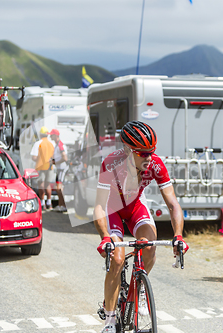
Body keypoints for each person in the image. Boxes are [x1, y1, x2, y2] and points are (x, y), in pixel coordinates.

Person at [94, 121, 189, 333]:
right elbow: (100, 205)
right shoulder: (110, 163)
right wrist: (104, 237)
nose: (148, 157)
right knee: (117, 259)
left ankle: (139, 289)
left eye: (151, 152)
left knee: (149, 247)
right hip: (113, 209)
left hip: (136, 207)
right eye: (142, 153)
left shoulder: (155, 164)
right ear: (128, 150)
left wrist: (178, 235)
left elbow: (173, 203)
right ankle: (110, 321)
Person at [31, 126, 56, 210]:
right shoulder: (51, 144)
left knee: (41, 184)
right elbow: (53, 156)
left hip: (41, 167)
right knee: (48, 184)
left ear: (40, 135)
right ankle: (49, 202)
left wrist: (40, 159)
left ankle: (42, 203)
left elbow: (34, 157)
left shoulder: (38, 143)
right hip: (50, 166)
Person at [49, 129, 68, 212]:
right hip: (59, 169)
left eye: (51, 135)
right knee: (58, 188)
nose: (50, 136)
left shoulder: (60, 144)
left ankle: (63, 205)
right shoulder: (57, 144)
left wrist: (55, 162)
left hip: (62, 169)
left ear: (56, 135)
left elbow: (65, 157)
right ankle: (61, 205)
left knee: (59, 188)